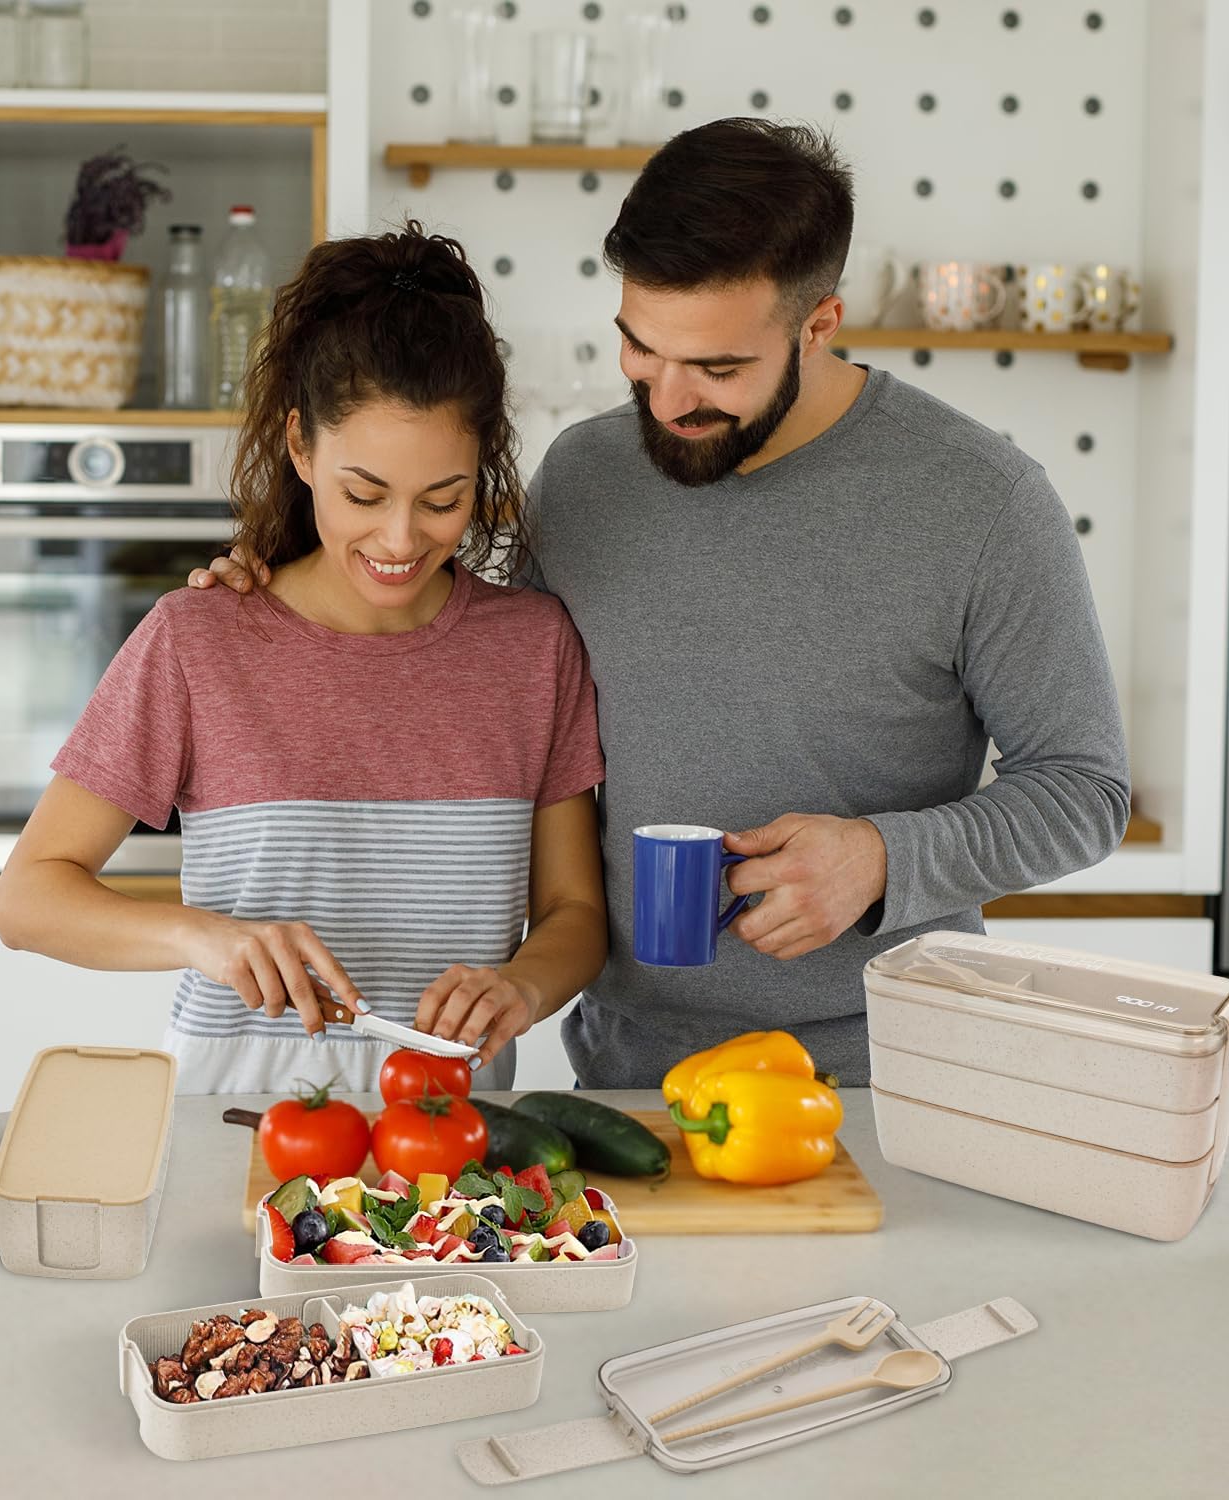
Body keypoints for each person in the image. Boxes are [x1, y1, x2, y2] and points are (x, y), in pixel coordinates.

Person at [193, 119, 1130, 1090]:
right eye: (641, 348)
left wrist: (883, 858)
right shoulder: (588, 474)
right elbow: (484, 673)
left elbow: (1085, 790)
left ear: (819, 325)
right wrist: (281, 593)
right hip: (630, 1080)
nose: (669, 400)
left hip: (883, 1078)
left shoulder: (981, 501)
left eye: (719, 369)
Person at [0, 224, 607, 1094]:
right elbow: (26, 900)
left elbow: (574, 913)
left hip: (448, 1135)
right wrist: (203, 936)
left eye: (443, 500)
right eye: (364, 494)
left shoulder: (533, 650)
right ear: (300, 446)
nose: (401, 539)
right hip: (227, 1124)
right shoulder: (199, 639)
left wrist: (523, 985)